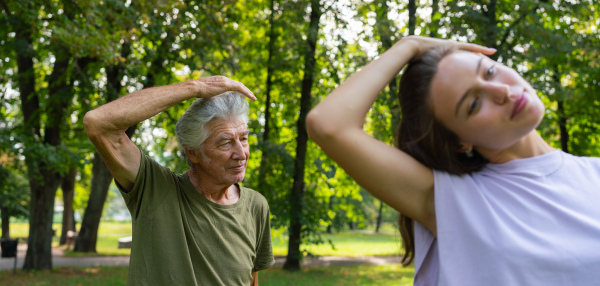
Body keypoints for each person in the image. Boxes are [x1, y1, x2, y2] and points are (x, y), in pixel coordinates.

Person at [306, 36, 600, 285]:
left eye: (489, 72)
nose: (501, 91)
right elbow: (328, 125)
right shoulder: (452, 199)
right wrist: (409, 45)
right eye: (473, 103)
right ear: (460, 142)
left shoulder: (594, 172)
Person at [84, 76, 275, 285]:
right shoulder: (154, 189)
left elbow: (252, 282)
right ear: (193, 153)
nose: (241, 153)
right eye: (226, 143)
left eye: (244, 139)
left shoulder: (256, 206)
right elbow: (98, 123)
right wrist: (196, 87)